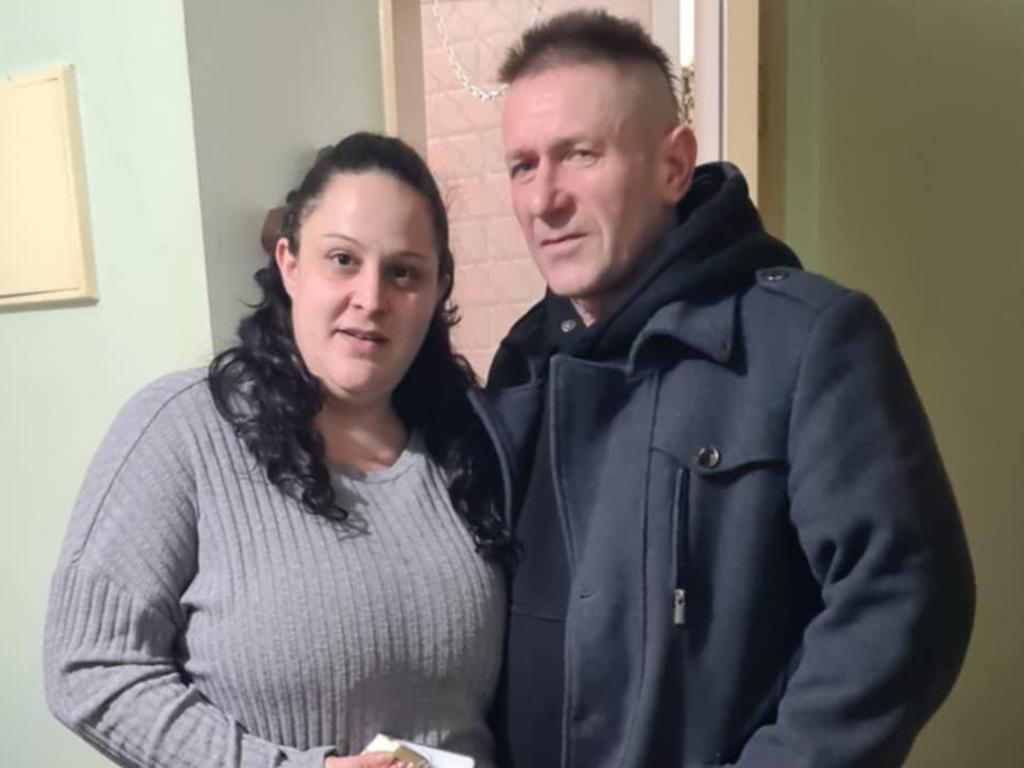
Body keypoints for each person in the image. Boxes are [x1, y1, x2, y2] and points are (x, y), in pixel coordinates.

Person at [476, 10, 975, 768]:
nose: (545, 200)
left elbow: (906, 595)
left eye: (580, 155)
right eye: (522, 166)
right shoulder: (519, 368)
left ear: (674, 166)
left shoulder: (805, 341)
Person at [44, 132, 509, 768]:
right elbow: (90, 666)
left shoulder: (473, 443)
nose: (371, 299)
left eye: (403, 272)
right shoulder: (182, 431)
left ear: (436, 291)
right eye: (342, 259)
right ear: (289, 264)